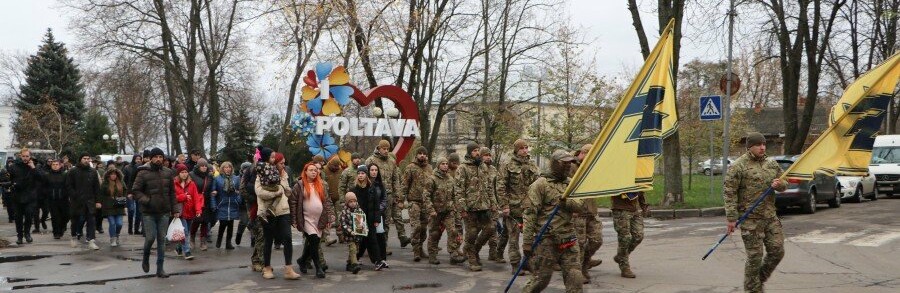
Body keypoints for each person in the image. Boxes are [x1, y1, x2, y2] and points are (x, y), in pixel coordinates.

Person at [724, 132, 787, 292]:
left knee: (777, 251)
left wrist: (779, 184)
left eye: (764, 144)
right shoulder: (738, 166)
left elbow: (784, 183)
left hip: (770, 217)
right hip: (750, 220)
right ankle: (753, 289)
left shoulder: (771, 164)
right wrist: (731, 218)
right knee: (755, 257)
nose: (762, 147)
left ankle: (757, 281)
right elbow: (729, 192)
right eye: (758, 145)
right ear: (749, 147)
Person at [522, 150, 585, 293]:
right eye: (565, 163)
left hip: (569, 238)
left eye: (570, 163)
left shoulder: (572, 184)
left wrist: (566, 202)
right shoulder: (540, 185)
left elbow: (580, 206)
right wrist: (527, 242)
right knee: (540, 280)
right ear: (555, 163)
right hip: (546, 240)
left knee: (575, 279)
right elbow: (530, 213)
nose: (569, 166)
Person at [132, 147, 177, 278]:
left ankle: (160, 268)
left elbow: (172, 193)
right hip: (148, 212)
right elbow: (135, 190)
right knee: (150, 238)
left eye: (160, 157)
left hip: (164, 212)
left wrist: (175, 209)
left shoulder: (168, 173)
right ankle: (145, 257)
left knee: (161, 240)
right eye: (156, 157)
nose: (158, 159)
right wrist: (147, 200)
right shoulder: (143, 173)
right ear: (151, 158)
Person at [497, 139, 540, 275]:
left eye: (526, 147)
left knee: (532, 237)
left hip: (530, 207)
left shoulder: (532, 164)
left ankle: (528, 262)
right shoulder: (507, 164)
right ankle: (515, 264)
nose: (525, 150)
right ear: (516, 150)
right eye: (522, 148)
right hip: (514, 208)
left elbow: (539, 184)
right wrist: (504, 205)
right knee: (513, 238)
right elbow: (501, 186)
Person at [257, 152, 299, 280]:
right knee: (268, 240)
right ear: (274, 163)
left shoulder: (285, 174)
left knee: (287, 238)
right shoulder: (263, 173)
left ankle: (288, 268)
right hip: (268, 212)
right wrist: (278, 191)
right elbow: (259, 192)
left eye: (284, 163)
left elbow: (287, 191)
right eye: (281, 163)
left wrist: (288, 191)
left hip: (283, 210)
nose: (283, 165)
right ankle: (267, 268)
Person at [456, 143, 498, 272]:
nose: (477, 153)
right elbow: (459, 189)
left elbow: (489, 187)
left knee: (491, 228)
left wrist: (493, 203)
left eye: (478, 150)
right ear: (469, 153)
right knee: (472, 234)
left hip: (484, 207)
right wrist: (462, 208)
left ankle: (475, 249)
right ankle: (472, 260)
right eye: (475, 151)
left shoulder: (483, 167)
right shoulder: (463, 168)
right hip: (470, 207)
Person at [290, 161, 335, 278]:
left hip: (319, 219)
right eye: (311, 170)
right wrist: (294, 219)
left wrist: (330, 217)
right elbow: (293, 202)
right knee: (314, 241)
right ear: (305, 171)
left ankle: (302, 259)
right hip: (306, 219)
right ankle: (318, 268)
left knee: (313, 242)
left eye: (315, 170)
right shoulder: (299, 185)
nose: (314, 172)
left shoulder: (321, 185)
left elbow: (327, 202)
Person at [365, 139, 409, 248]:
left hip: (388, 195)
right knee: (374, 220)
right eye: (384, 149)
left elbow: (395, 180)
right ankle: (370, 244)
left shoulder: (391, 161)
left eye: (387, 149)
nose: (386, 151)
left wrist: (398, 195)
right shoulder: (370, 160)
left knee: (386, 221)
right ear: (379, 148)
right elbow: (365, 177)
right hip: (374, 194)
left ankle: (383, 245)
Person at [572, 144, 603, 283]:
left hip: (591, 210)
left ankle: (585, 262)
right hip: (577, 211)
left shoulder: (593, 167)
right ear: (583, 154)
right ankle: (579, 271)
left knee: (597, 240)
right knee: (579, 244)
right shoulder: (572, 166)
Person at [424, 157, 464, 265]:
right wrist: (431, 210)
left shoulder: (450, 178)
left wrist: (456, 208)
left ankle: (453, 254)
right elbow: (426, 196)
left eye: (446, 163)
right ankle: (432, 255)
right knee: (434, 233)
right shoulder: (432, 179)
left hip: (448, 211)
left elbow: (454, 195)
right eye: (443, 163)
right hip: (436, 212)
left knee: (453, 231)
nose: (445, 165)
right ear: (438, 165)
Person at [353, 163, 388, 270]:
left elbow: (377, 205)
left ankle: (378, 261)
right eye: (359, 173)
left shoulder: (371, 188)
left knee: (373, 239)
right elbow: (350, 204)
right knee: (360, 241)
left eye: (363, 173)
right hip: (359, 219)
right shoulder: (354, 189)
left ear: (366, 175)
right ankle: (353, 259)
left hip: (370, 218)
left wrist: (377, 219)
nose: (360, 175)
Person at [400, 146, 433, 262]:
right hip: (413, 201)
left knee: (424, 228)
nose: (422, 155)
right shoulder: (410, 168)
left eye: (424, 153)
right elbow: (404, 185)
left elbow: (433, 186)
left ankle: (420, 248)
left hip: (426, 202)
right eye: (420, 153)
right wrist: (401, 200)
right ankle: (415, 251)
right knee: (416, 226)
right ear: (416, 155)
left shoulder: (429, 168)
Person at [67, 153, 102, 250]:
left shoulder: (93, 172)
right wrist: (74, 195)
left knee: (91, 220)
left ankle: (91, 240)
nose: (86, 160)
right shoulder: (73, 171)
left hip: (90, 201)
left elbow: (96, 188)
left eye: (88, 158)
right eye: (84, 158)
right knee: (76, 220)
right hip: (76, 201)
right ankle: (74, 236)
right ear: (80, 159)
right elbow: (69, 186)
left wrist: (98, 201)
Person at [9, 148, 39, 244]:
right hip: (17, 196)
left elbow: (41, 178)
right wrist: (13, 184)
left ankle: (27, 233)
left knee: (29, 215)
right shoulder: (14, 166)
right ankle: (19, 236)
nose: (25, 158)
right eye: (23, 156)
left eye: (27, 156)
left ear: (30, 157)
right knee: (18, 218)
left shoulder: (34, 166)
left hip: (30, 196)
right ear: (20, 156)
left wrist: (33, 167)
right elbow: (10, 179)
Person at [480, 147, 504, 264]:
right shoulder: (478, 169)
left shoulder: (494, 169)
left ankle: (493, 253)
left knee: (493, 228)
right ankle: (472, 250)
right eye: (485, 155)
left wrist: (497, 202)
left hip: (493, 203)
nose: (488, 157)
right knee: (477, 230)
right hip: (480, 205)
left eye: (489, 155)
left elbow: (497, 187)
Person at [174, 163, 203, 260]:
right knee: (185, 231)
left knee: (186, 231)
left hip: (190, 212)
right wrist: (184, 197)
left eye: (186, 172)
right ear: (178, 173)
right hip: (180, 212)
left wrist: (198, 210)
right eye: (182, 172)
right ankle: (187, 251)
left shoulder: (192, 184)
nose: (184, 174)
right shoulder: (174, 183)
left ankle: (178, 247)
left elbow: (196, 198)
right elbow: (173, 198)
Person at [213, 161, 242, 250]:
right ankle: (219, 239)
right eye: (226, 167)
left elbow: (239, 191)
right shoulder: (217, 179)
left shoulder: (236, 179)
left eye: (229, 167)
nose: (228, 169)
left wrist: (238, 199)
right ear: (222, 168)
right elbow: (213, 192)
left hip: (233, 204)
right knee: (223, 223)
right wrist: (214, 203)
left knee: (230, 225)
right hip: (222, 204)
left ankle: (228, 243)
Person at [189, 159, 214, 251]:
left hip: (206, 201)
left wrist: (213, 192)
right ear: (198, 166)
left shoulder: (209, 176)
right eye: (202, 166)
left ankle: (203, 241)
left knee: (205, 221)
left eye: (205, 166)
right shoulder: (191, 175)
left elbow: (212, 186)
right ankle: (192, 238)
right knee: (196, 220)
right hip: (195, 201)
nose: (204, 167)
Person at [98, 168, 127, 247]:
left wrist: (124, 200)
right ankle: (113, 238)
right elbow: (101, 193)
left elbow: (125, 191)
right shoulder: (105, 183)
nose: (113, 176)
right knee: (112, 223)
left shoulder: (121, 182)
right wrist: (100, 202)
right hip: (108, 206)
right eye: (112, 174)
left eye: (115, 174)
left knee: (119, 224)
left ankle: (117, 234)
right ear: (108, 175)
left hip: (119, 205)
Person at [339, 191, 366, 274]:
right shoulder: (344, 212)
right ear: (347, 202)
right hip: (349, 236)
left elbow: (363, 221)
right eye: (350, 202)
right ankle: (354, 264)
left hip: (358, 235)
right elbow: (343, 224)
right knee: (353, 249)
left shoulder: (359, 210)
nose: (353, 203)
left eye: (354, 201)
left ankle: (349, 264)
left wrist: (365, 229)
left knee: (355, 250)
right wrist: (349, 231)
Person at [43, 159, 69, 239]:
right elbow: (44, 186)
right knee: (55, 217)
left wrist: (67, 194)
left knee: (66, 215)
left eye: (56, 164)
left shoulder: (65, 175)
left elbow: (68, 185)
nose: (55, 166)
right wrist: (47, 193)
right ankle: (56, 233)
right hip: (52, 199)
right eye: (53, 164)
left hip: (63, 199)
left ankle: (62, 226)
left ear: (60, 165)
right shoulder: (47, 175)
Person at [447, 152, 464, 263]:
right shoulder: (445, 172)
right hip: (448, 206)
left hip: (458, 205)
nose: (456, 165)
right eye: (453, 163)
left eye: (457, 163)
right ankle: (452, 251)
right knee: (451, 230)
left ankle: (457, 249)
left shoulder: (460, 172)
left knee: (459, 229)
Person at [322, 157, 343, 246]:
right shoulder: (324, 170)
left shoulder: (340, 170)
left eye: (337, 166)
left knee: (340, 217)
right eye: (334, 166)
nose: (336, 168)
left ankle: (341, 235)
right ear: (330, 164)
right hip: (328, 198)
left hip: (338, 197)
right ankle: (327, 237)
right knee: (328, 218)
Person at [123, 154, 143, 235]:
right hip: (130, 191)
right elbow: (125, 180)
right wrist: (127, 192)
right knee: (131, 210)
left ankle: (136, 229)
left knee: (138, 211)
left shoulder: (141, 168)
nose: (138, 160)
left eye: (139, 159)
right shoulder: (127, 168)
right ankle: (130, 228)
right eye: (137, 159)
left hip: (138, 192)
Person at [236, 161, 253, 245]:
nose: (246, 170)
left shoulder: (253, 177)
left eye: (248, 168)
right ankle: (239, 234)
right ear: (242, 170)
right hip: (242, 204)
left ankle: (253, 240)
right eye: (244, 168)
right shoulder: (237, 179)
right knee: (244, 221)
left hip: (252, 203)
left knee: (253, 222)